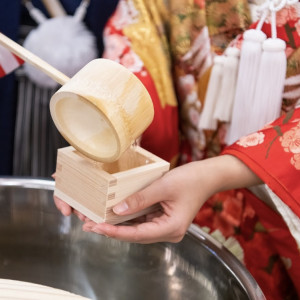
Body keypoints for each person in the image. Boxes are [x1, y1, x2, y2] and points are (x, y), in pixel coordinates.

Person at [54, 0, 300, 299]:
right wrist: (103, 131)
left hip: (279, 203)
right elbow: (141, 34)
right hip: (178, 183)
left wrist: (219, 173)